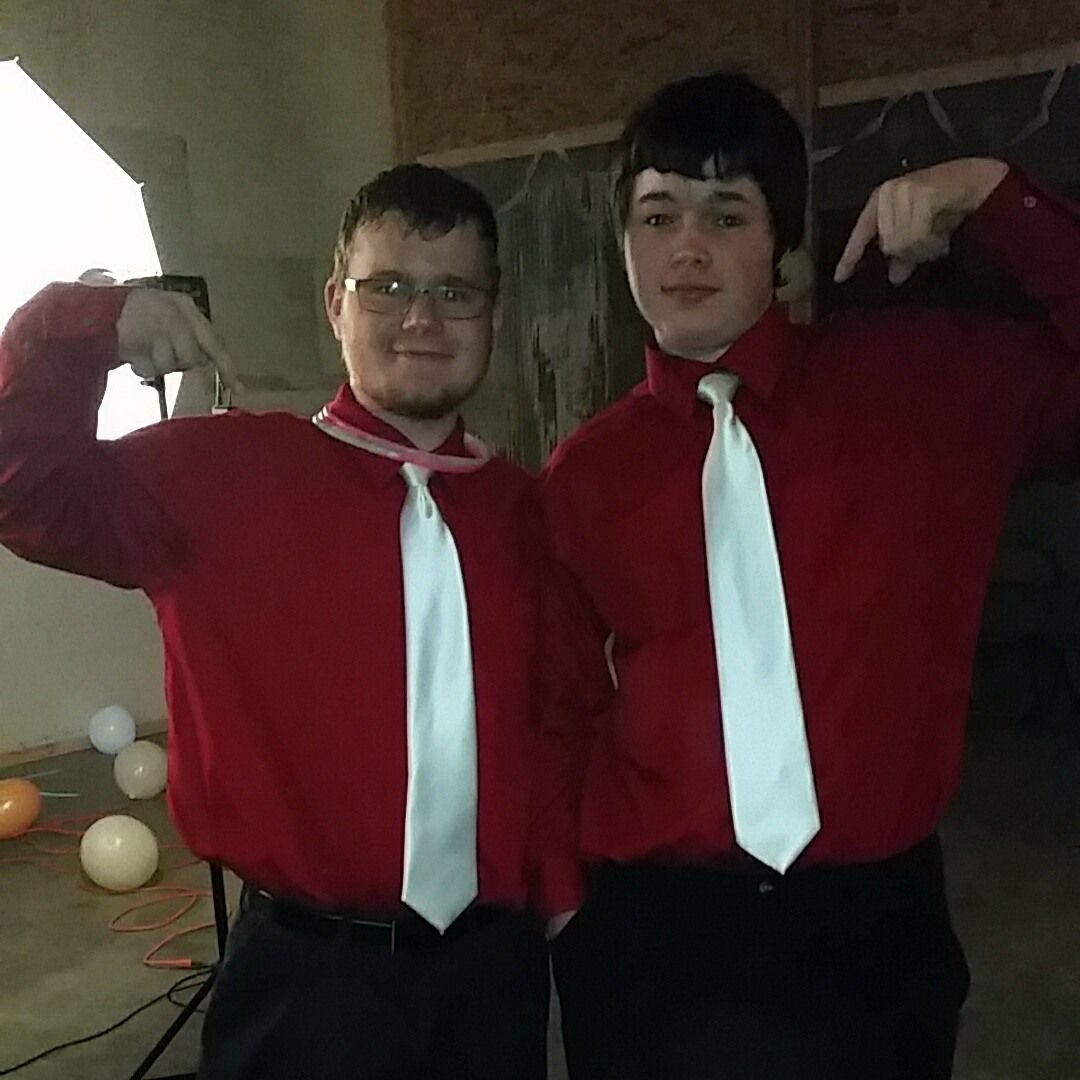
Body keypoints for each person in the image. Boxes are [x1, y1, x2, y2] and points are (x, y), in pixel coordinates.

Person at [540, 70, 1080, 1080]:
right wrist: (569, 906)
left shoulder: (922, 389)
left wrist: (992, 194)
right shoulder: (585, 475)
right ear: (623, 246)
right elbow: (558, 706)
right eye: (657, 215)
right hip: (653, 943)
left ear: (783, 246)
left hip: (868, 938)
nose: (687, 246)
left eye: (726, 214)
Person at [0, 164, 583, 1080]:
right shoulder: (219, 477)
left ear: (493, 318)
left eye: (454, 293)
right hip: (307, 990)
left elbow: (549, 717)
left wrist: (562, 897)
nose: (421, 318)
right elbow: (23, 489)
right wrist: (83, 324)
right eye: (388, 287)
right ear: (336, 304)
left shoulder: (522, 509)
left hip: (492, 978)